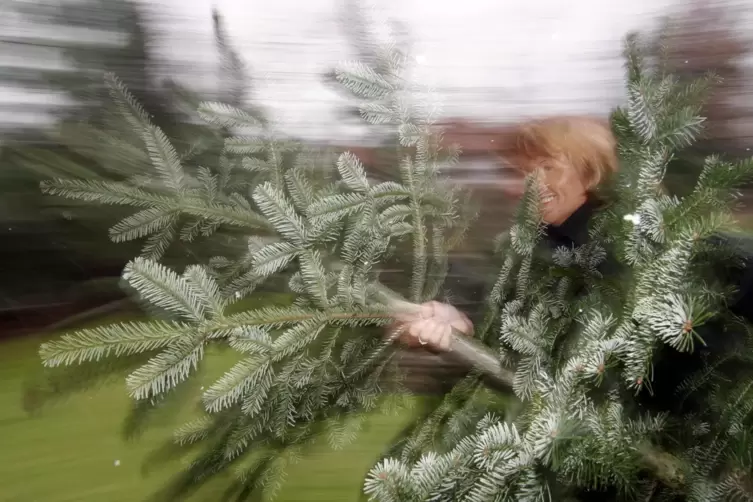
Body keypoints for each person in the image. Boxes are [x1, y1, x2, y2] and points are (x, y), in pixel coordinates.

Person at [395, 115, 619, 350]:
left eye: (548, 167)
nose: (531, 183)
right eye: (525, 172)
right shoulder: (537, 244)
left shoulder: (616, 246)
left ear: (592, 170)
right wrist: (462, 325)